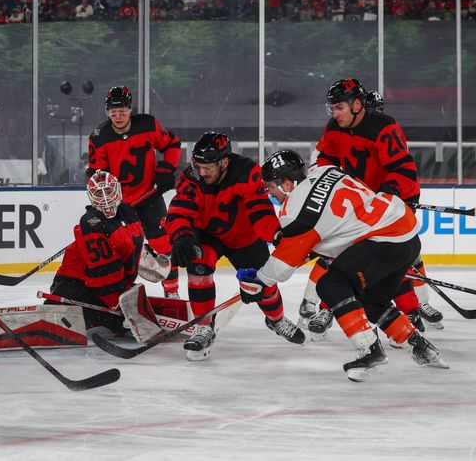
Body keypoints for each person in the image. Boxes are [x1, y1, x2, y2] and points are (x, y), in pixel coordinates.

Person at [246, 150, 447, 381]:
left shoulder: (295, 213)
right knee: (372, 300)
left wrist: (258, 281)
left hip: (385, 240)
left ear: (288, 184)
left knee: (331, 284)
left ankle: (370, 350)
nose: (269, 192)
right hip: (405, 231)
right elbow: (339, 217)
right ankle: (420, 347)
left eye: (271, 186)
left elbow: (282, 267)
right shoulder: (325, 170)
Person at [304, 78, 443, 341]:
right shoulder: (335, 127)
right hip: (361, 203)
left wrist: (388, 193)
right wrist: (323, 177)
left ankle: (410, 312)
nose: (335, 114)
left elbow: (402, 168)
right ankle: (328, 308)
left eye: (339, 108)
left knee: (390, 259)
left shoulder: (383, 126)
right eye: (332, 108)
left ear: (357, 105)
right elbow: (326, 158)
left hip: (394, 203)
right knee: (341, 256)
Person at [166, 132, 305, 361]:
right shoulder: (191, 177)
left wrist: (276, 235)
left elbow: (260, 211)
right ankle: (204, 327)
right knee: (199, 269)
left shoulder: (248, 172)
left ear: (225, 162)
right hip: (208, 236)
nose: (202, 172)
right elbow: (180, 209)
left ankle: (277, 320)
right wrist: (181, 235)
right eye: (198, 166)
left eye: (208, 167)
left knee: (263, 283)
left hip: (245, 237)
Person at [86, 85, 182, 298]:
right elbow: (96, 174)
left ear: (130, 110)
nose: (118, 116)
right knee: (121, 251)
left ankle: (172, 292)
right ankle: (118, 294)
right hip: (119, 206)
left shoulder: (147, 125)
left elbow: (172, 144)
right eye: (113, 112)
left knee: (163, 245)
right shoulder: (99, 137)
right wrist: (102, 201)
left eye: (122, 111)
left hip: (150, 198)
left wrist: (167, 168)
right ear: (107, 112)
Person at [45, 170, 144, 332]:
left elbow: (129, 254)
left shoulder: (126, 218)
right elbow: (104, 277)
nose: (105, 197)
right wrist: (119, 305)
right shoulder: (92, 224)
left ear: (117, 190)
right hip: (75, 291)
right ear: (91, 196)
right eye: (99, 192)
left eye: (109, 191)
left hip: (94, 289)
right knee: (118, 324)